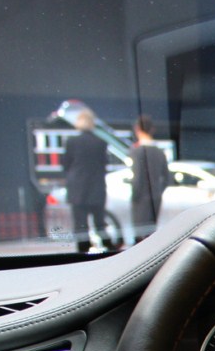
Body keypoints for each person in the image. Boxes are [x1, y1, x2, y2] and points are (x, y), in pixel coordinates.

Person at [61, 107, 116, 252]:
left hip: (77, 189)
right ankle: (107, 246)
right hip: (96, 188)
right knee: (100, 221)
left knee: (80, 223)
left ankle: (83, 249)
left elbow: (66, 165)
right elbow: (104, 164)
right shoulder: (100, 142)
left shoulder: (72, 142)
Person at [127, 114, 170, 245]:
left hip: (140, 198)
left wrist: (134, 195)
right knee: (151, 235)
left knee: (139, 237)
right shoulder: (159, 152)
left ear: (137, 129)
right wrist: (158, 191)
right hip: (155, 197)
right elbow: (167, 178)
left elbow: (137, 177)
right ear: (152, 130)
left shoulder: (136, 151)